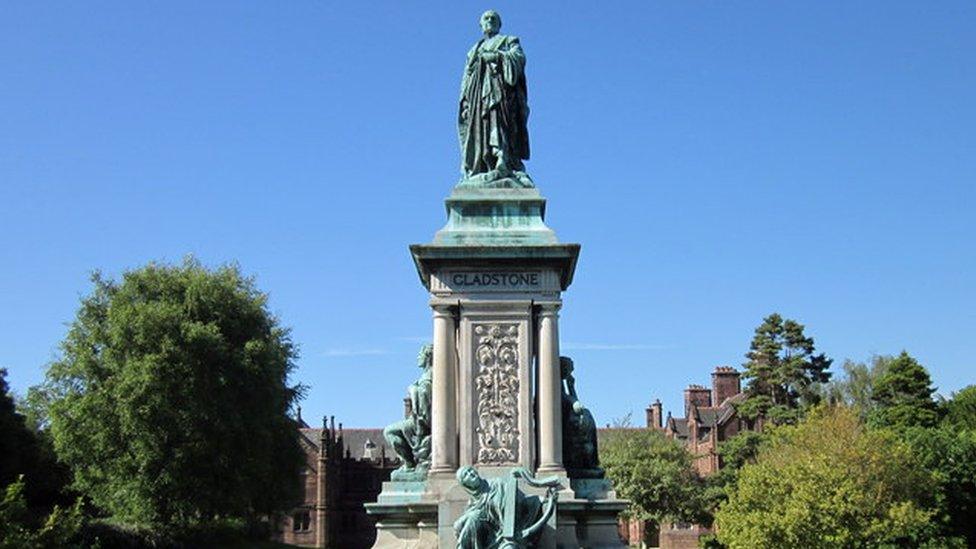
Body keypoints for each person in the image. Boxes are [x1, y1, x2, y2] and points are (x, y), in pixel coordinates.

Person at [458, 10, 531, 187]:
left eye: (494, 18)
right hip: (478, 99)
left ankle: (503, 161)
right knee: (480, 131)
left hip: (500, 93)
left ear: (499, 24)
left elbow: (519, 58)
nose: (490, 20)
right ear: (481, 24)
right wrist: (465, 101)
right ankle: (483, 166)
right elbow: (466, 77)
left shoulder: (509, 41)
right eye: (486, 18)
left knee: (500, 125)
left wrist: (498, 56)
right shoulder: (473, 50)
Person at [453, 466, 559, 548]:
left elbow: (520, 500)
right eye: (466, 474)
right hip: (487, 538)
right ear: (465, 485)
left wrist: (545, 500)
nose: (471, 474)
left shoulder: (497, 484)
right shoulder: (472, 504)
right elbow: (460, 526)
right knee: (472, 518)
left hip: (507, 536)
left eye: (470, 471)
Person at [383, 344, 433, 480]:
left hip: (423, 420)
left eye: (420, 354)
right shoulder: (427, 375)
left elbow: (424, 395)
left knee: (389, 431)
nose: (418, 357)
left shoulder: (430, 375)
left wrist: (412, 389)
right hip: (417, 418)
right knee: (389, 431)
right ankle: (409, 464)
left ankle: (410, 464)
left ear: (428, 357)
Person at [560, 357, 604, 478]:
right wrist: (573, 400)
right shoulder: (552, 382)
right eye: (569, 371)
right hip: (562, 425)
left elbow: (574, 405)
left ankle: (587, 462)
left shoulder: (561, 384)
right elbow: (571, 404)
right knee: (584, 415)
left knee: (585, 415)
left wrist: (572, 388)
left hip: (567, 422)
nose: (570, 374)